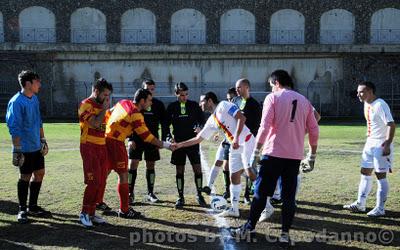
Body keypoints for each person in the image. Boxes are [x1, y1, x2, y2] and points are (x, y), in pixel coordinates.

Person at [230, 70, 319, 247]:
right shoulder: (304, 101)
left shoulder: (274, 98)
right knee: (288, 197)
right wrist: (312, 155)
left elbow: (264, 126)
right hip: (294, 157)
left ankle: (249, 227)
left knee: (261, 193)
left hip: (273, 155)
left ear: (276, 82)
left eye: (271, 86)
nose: (271, 89)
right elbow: (314, 129)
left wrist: (255, 152)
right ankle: (285, 235)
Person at [172, 92, 257, 217]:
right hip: (235, 145)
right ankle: (234, 209)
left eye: (202, 101)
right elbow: (198, 139)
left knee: (250, 172)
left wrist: (236, 138)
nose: (200, 104)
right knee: (234, 176)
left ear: (210, 101)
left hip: (246, 141)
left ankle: (267, 203)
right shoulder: (212, 119)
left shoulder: (223, 105)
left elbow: (241, 118)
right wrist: (179, 145)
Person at [105, 88, 172, 218]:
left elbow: (108, 113)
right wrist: (167, 145)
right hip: (116, 143)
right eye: (149, 101)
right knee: (123, 175)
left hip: (107, 139)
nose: (151, 104)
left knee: (105, 172)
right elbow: (147, 137)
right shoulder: (136, 114)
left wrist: (108, 130)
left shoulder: (123, 102)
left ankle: (97, 202)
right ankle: (124, 210)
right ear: (142, 101)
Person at [343, 81, 395, 217]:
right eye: (358, 92)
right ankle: (360, 204)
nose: (358, 94)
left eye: (361, 91)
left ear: (370, 91)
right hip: (370, 143)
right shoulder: (367, 103)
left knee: (380, 176)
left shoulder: (380, 104)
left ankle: (380, 208)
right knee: (365, 172)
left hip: (381, 144)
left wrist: (388, 144)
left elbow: (391, 124)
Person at [6, 70, 51, 223]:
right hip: (24, 148)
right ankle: (22, 209)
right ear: (28, 84)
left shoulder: (34, 99)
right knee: (25, 176)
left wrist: (43, 140)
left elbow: (39, 121)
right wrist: (17, 150)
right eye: (37, 81)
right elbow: (14, 127)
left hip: (36, 146)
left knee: (40, 173)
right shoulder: (16, 102)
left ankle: (33, 206)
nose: (40, 84)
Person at [78, 78, 113, 227]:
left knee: (101, 181)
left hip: (101, 146)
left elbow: (106, 125)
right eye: (105, 94)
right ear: (96, 91)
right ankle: (84, 213)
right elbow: (96, 123)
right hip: (89, 146)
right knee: (93, 182)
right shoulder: (85, 104)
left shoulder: (102, 105)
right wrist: (105, 109)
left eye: (109, 95)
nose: (107, 98)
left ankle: (92, 213)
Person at [166, 82, 206, 208]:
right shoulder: (172, 107)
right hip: (178, 144)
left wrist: (199, 127)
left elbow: (202, 120)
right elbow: (165, 125)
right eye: (182, 95)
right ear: (176, 94)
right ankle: (180, 196)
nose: (184, 97)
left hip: (193, 142)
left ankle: (199, 194)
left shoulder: (194, 105)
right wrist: (168, 137)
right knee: (179, 170)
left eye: (186, 94)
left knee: (197, 169)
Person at [127, 79, 168, 204]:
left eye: (152, 89)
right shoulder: (136, 105)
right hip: (136, 139)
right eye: (147, 89)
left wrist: (163, 138)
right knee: (133, 164)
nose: (150, 91)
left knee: (151, 165)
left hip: (152, 139)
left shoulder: (158, 105)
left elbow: (164, 123)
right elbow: (128, 122)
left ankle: (150, 193)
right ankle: (129, 192)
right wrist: (130, 139)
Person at [203, 87, 237, 199]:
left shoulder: (226, 106)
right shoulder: (216, 113)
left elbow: (235, 122)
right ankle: (210, 186)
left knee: (243, 169)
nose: (230, 100)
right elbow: (224, 125)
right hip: (227, 140)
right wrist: (219, 134)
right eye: (228, 98)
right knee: (218, 161)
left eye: (231, 98)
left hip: (236, 142)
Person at [234, 78, 262, 204]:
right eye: (236, 88)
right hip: (236, 140)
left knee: (249, 167)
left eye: (239, 87)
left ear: (246, 87)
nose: (237, 90)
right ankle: (233, 193)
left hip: (249, 141)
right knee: (233, 166)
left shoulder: (254, 104)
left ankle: (247, 194)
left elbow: (258, 125)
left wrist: (253, 140)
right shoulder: (235, 100)